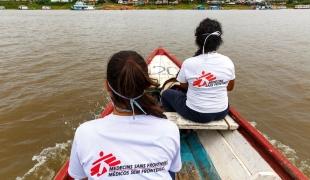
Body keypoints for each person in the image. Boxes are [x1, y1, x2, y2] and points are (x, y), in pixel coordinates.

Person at [68, 51, 182, 179]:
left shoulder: (84, 133)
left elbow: (79, 176)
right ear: (146, 84)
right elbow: (174, 169)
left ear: (107, 86)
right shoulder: (169, 128)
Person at [161, 18, 235, 123]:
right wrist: (213, 84)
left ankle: (172, 121)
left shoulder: (189, 63)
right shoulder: (228, 61)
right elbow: (230, 87)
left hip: (196, 114)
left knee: (166, 94)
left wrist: (200, 86)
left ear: (198, 40)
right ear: (218, 41)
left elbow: (183, 86)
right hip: (222, 112)